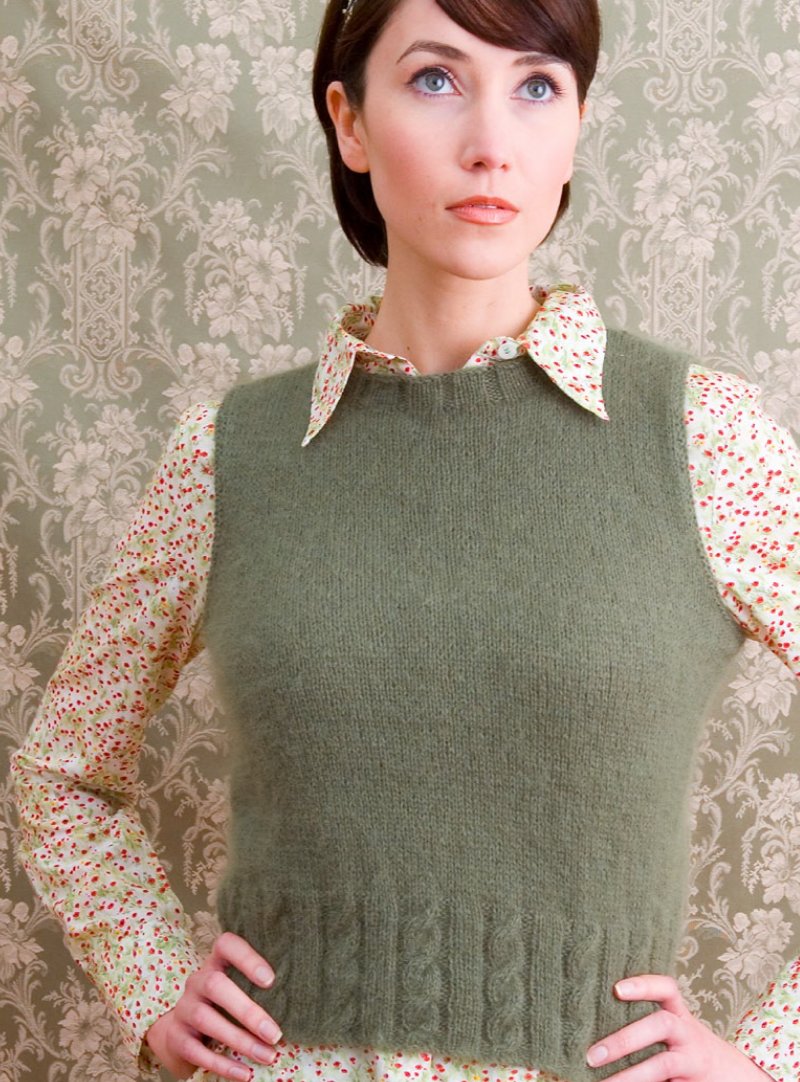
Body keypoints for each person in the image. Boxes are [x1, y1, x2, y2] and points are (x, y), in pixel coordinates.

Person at [11, 0, 799, 1081]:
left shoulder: (698, 436)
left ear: (576, 125)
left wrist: (765, 1060)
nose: (491, 141)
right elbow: (62, 772)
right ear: (349, 121)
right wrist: (153, 984)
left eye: (536, 86)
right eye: (435, 79)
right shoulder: (232, 453)